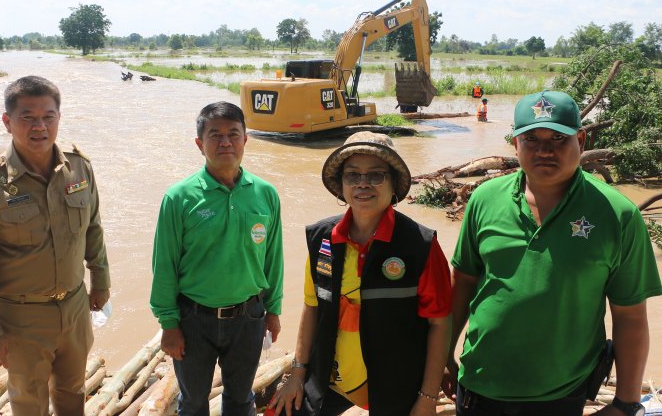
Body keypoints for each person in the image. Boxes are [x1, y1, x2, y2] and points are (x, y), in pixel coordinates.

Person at [443, 90, 662, 416]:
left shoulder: (617, 214)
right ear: (515, 145)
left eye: (558, 138)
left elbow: (629, 317)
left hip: (561, 395)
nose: (544, 150)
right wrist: (443, 360)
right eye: (531, 138)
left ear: (581, 141)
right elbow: (461, 286)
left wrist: (626, 403)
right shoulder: (484, 199)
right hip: (478, 384)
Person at [269, 132, 453, 416]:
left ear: (394, 185)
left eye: (376, 175)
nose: (363, 184)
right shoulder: (322, 238)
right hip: (331, 380)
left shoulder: (421, 245)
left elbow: (439, 325)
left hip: (396, 384)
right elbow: (311, 306)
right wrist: (297, 374)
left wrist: (427, 398)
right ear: (341, 186)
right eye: (352, 175)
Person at [0, 75, 111, 415]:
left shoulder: (79, 168)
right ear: (7, 122)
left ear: (59, 117)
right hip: (20, 319)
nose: (39, 126)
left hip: (74, 308)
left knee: (73, 393)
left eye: (48, 116)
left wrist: (100, 280)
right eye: (27, 117)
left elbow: (94, 228)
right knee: (29, 403)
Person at [150, 101, 284, 416]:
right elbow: (164, 265)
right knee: (194, 402)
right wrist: (169, 324)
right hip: (194, 319)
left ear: (245, 139)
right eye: (215, 135)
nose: (225, 142)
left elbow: (273, 259)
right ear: (200, 144)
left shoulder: (265, 194)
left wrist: (273, 310)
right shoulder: (180, 197)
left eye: (233, 134)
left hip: (248, 317)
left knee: (241, 400)